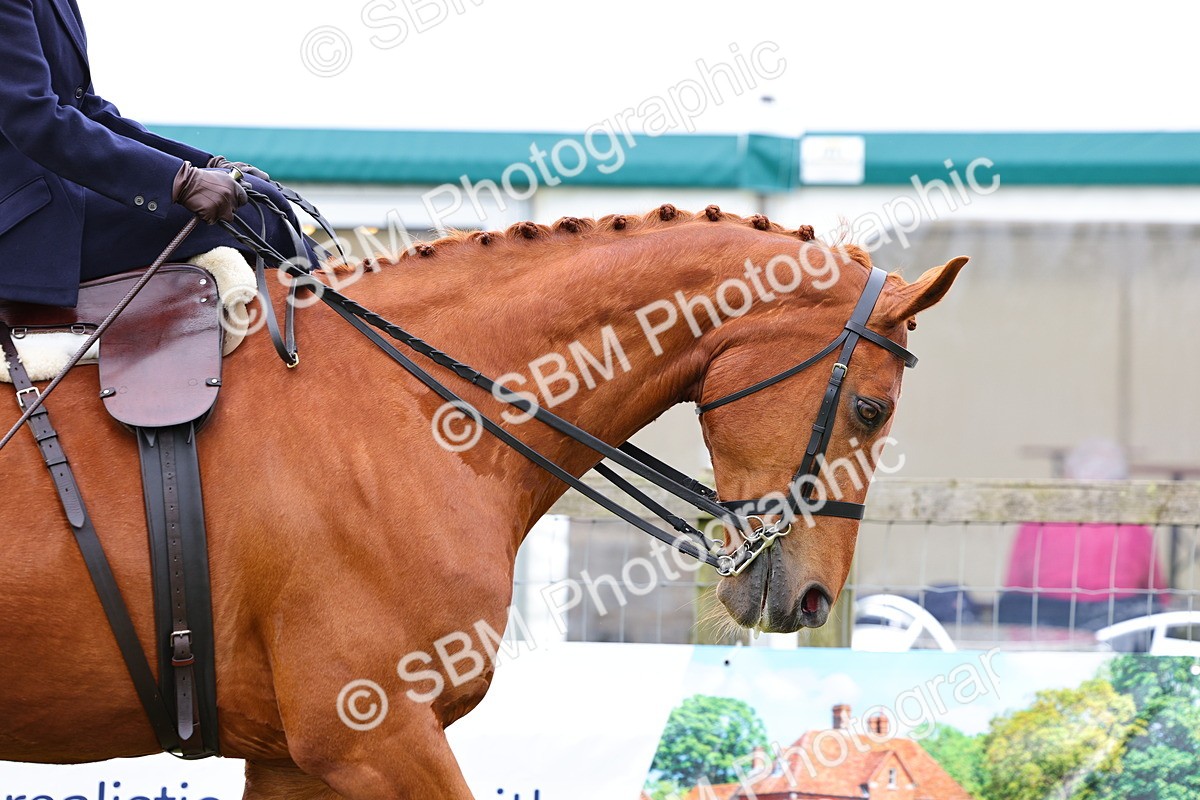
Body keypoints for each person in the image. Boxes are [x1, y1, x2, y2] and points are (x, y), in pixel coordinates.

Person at [0, 0, 314, 307]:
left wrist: (205, 166)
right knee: (252, 214)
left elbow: (87, 111)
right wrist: (180, 182)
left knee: (255, 195)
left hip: (57, 200)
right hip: (25, 226)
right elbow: (33, 117)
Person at [997, 439, 1169, 631]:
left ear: (1067, 477)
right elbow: (1156, 590)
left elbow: (1015, 584)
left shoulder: (1038, 520)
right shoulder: (1134, 527)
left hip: (1043, 624)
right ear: (1120, 484)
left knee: (1012, 604)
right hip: (1115, 627)